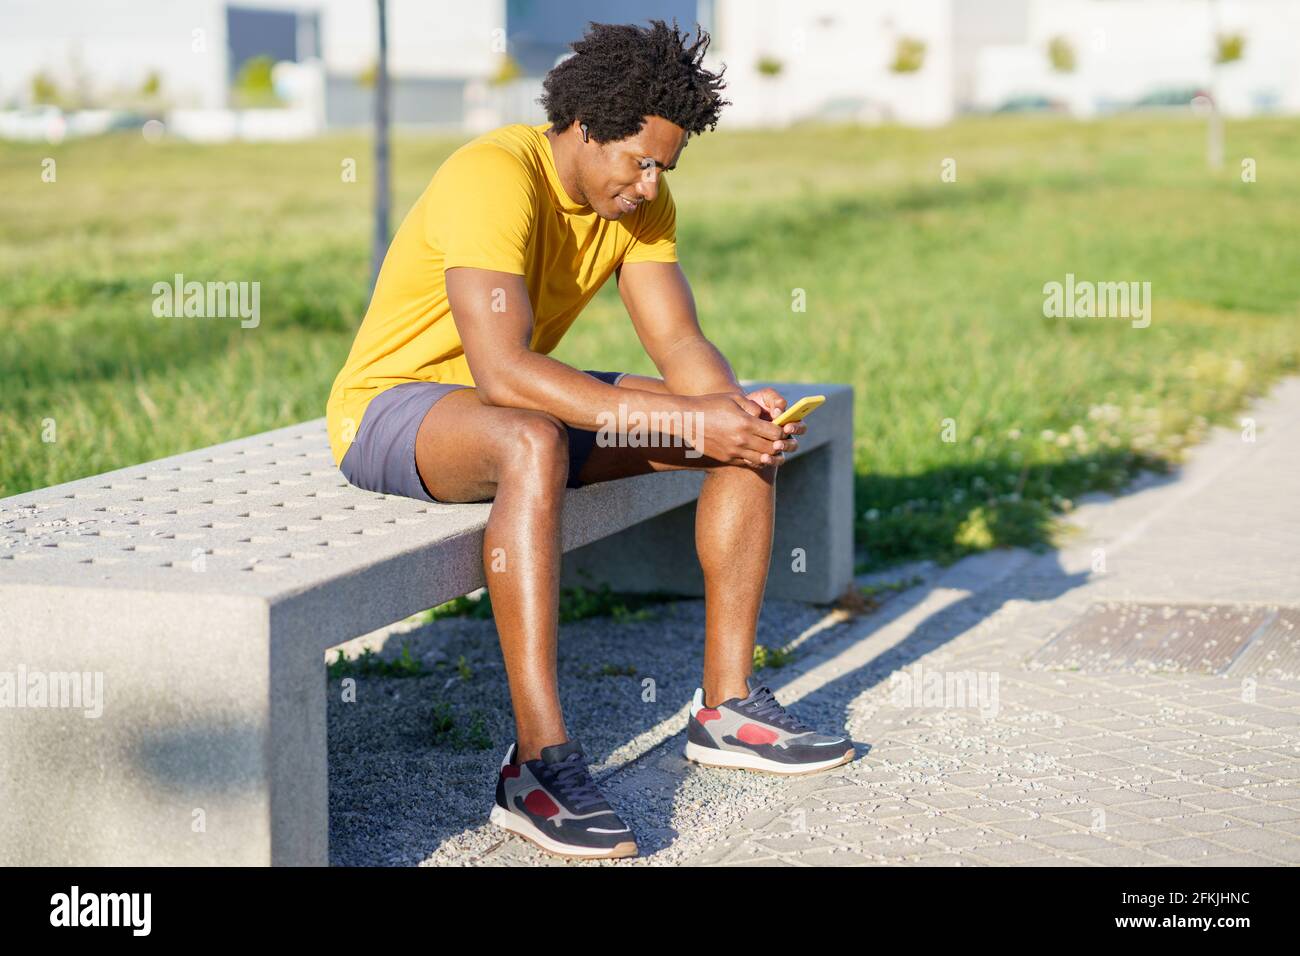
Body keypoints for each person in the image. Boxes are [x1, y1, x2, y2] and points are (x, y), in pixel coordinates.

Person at [326, 20, 852, 860]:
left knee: (736, 431)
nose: (649, 185)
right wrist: (690, 413)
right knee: (531, 440)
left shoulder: (640, 207)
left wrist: (725, 411)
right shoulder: (493, 176)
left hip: (515, 404)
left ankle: (727, 708)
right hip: (397, 412)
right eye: (639, 161)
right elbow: (499, 372)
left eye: (664, 168)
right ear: (584, 126)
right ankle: (539, 765)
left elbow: (678, 346)